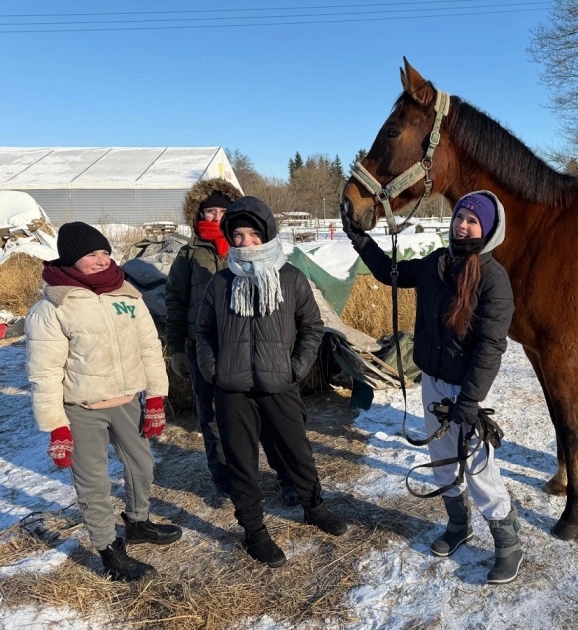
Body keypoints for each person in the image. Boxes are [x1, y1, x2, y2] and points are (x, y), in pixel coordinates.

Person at [341, 191, 522, 584]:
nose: (463, 225)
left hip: (465, 390)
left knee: (478, 468)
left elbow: (491, 346)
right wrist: (358, 237)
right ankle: (458, 525)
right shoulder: (435, 264)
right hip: (432, 383)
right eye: (460, 217)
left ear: (488, 228)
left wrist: (471, 400)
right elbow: (388, 272)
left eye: (473, 221)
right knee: (441, 460)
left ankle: (508, 542)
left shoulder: (494, 279)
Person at [25, 222, 182, 582]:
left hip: (127, 402)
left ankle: (139, 522)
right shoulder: (53, 306)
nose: (100, 260)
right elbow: (44, 372)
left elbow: (148, 349)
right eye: (90, 255)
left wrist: (155, 397)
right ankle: (109, 550)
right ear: (70, 260)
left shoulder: (126, 294)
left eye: (104, 252)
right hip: (80, 409)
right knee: (93, 483)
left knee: (142, 465)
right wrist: (56, 427)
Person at [196, 196, 347, 568]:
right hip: (233, 391)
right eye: (237, 235)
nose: (244, 242)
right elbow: (203, 331)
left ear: (266, 235)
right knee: (242, 464)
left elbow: (312, 327)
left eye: (251, 234)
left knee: (298, 453)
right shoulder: (221, 282)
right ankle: (254, 532)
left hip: (280, 384)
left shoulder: (291, 277)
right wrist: (214, 371)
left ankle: (314, 508)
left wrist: (295, 369)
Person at [165, 179, 299, 507]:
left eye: (221, 211)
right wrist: (178, 348)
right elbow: (175, 301)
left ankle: (287, 478)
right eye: (208, 211)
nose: (215, 217)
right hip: (207, 347)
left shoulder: (252, 249)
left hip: (253, 346)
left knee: (268, 415)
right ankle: (225, 479)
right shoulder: (188, 254)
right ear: (198, 214)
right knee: (213, 417)